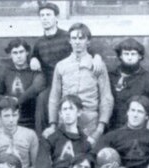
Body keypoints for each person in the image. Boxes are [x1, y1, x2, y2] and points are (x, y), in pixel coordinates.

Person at [31, 2, 103, 134]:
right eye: (42, 15)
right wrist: (33, 58)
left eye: (48, 15)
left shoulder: (67, 37)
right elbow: (34, 54)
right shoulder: (39, 42)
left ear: (56, 17)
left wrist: (97, 57)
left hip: (68, 81)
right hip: (50, 83)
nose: (45, 18)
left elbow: (88, 48)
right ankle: (42, 137)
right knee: (41, 99)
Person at [44, 23, 113, 145]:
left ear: (88, 41)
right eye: (74, 38)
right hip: (66, 120)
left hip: (90, 121)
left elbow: (106, 97)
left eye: (81, 38)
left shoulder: (97, 65)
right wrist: (53, 124)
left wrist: (100, 129)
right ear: (69, 41)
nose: (77, 42)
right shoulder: (61, 66)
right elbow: (54, 97)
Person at [0, 38, 46, 130]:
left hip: (32, 123)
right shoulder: (6, 72)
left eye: (21, 52)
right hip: (11, 122)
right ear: (10, 55)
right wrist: (8, 99)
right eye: (15, 53)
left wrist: (17, 101)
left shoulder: (34, 71)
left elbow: (37, 87)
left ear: (27, 52)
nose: (18, 56)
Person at [108, 38, 149, 130]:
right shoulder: (110, 76)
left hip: (137, 129)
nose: (129, 57)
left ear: (140, 56)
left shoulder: (148, 79)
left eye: (133, 54)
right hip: (112, 128)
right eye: (126, 54)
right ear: (120, 56)